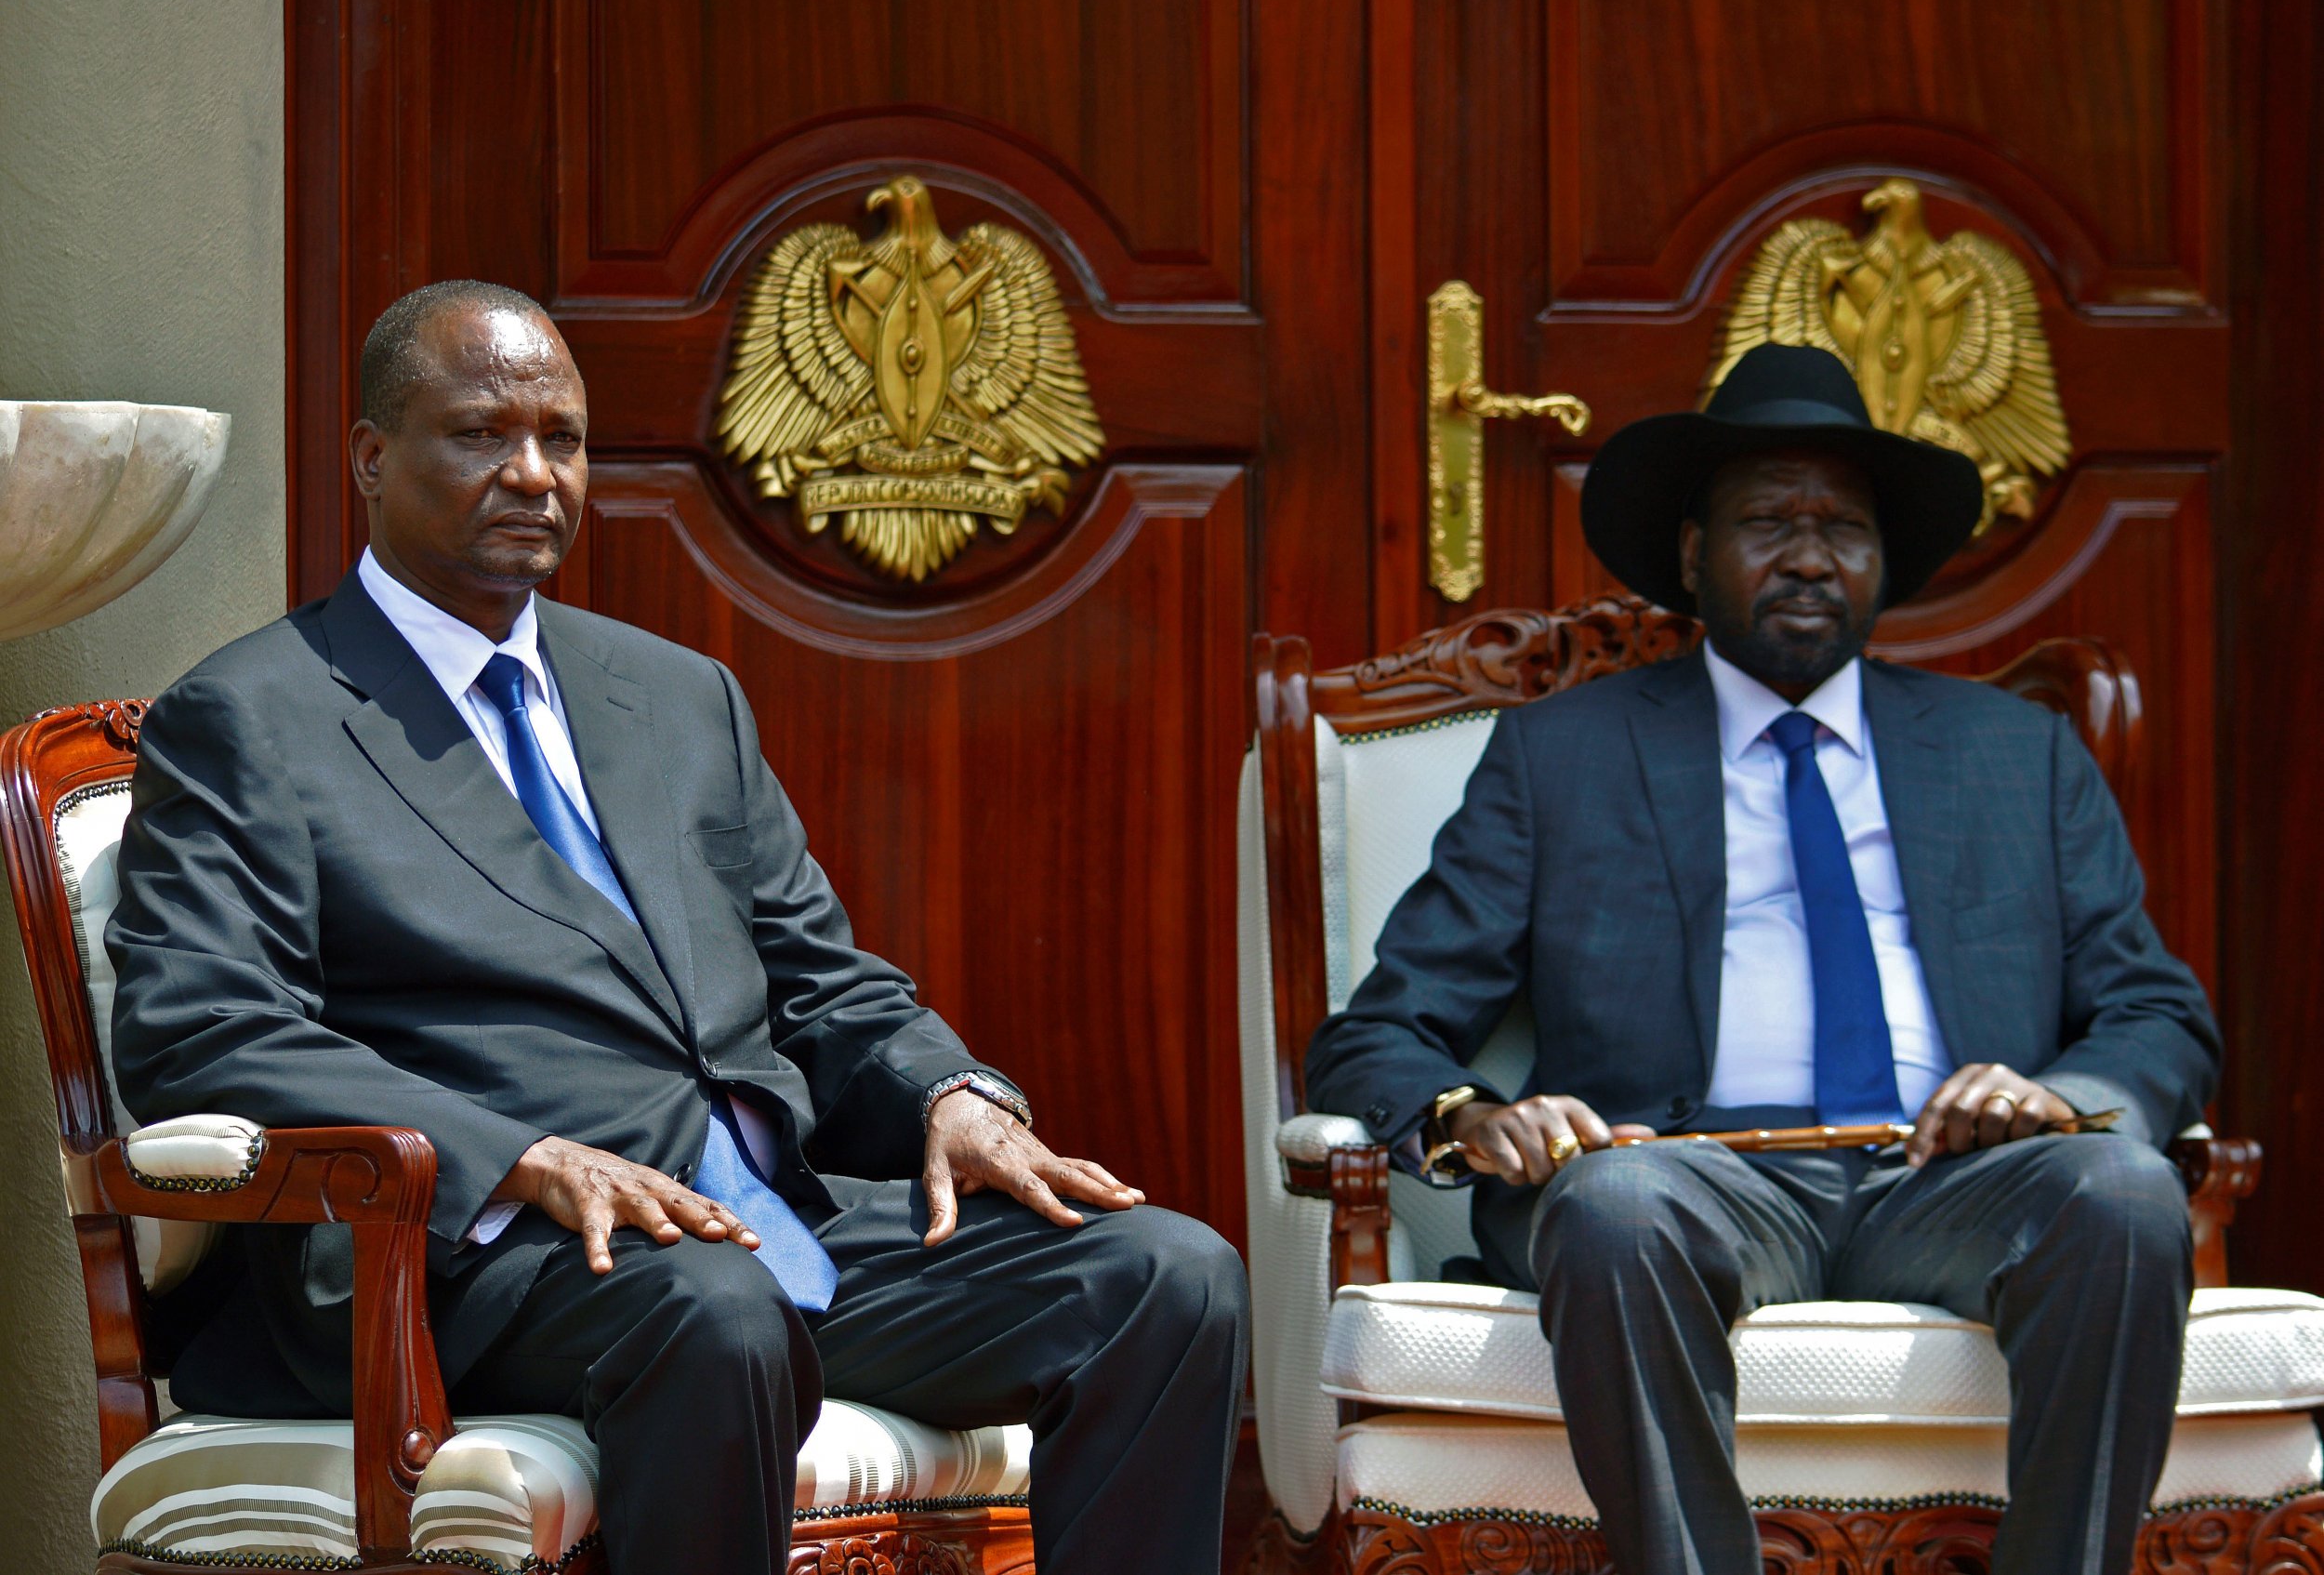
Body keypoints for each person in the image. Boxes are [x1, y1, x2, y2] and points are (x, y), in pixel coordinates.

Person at [106, 279, 1248, 1575]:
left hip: (763, 1220)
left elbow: (821, 980)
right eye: (483, 433)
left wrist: (953, 1095)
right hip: (479, 1263)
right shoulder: (255, 715)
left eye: (565, 438)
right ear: (372, 456)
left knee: (1168, 1275)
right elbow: (199, 1027)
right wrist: (520, 1153)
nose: (535, 473)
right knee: (718, 1310)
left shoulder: (674, 691)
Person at [1304, 342, 2218, 1575]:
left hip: (1946, 1180)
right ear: (1693, 554)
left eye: (1841, 526)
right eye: (1767, 522)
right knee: (1611, 1204)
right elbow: (1376, 1032)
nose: (1806, 553)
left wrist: (2061, 1098)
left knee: (2123, 1189)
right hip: (1688, 1175)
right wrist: (1471, 1115)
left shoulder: (2019, 755)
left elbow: (2157, 1011)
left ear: (1882, 560)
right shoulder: (1561, 758)